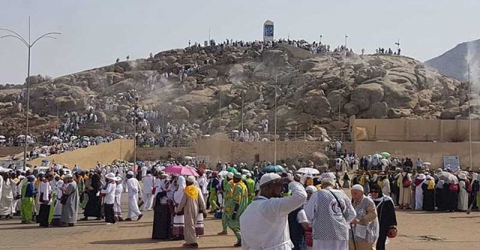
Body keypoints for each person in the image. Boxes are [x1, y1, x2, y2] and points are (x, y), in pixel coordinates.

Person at [240, 173, 307, 249]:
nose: (283, 189)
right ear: (268, 187)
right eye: (280, 185)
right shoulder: (272, 205)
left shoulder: (247, 211)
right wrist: (291, 181)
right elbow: (301, 197)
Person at [305, 178, 356, 250]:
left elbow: (308, 213)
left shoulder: (317, 194)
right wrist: (344, 223)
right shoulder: (342, 194)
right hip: (341, 232)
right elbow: (352, 213)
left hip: (321, 233)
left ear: (322, 186)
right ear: (333, 185)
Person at [176, 176, 207, 248]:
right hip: (196, 209)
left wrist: (178, 210)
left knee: (189, 226)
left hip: (188, 209)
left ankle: (193, 242)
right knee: (191, 225)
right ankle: (188, 241)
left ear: (188, 182)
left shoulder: (187, 190)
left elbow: (183, 202)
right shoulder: (197, 189)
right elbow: (202, 201)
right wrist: (204, 209)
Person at [349, 184, 379, 250]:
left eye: (355, 193)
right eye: (352, 193)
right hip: (355, 232)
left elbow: (373, 214)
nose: (353, 195)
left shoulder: (368, 201)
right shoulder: (354, 201)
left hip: (366, 232)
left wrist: (360, 220)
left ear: (362, 193)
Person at [369, 184, 397, 250]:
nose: (373, 193)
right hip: (370, 226)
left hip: (383, 226)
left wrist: (392, 226)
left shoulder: (387, 200)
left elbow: (391, 214)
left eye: (375, 192)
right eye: (372, 191)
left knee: (380, 243)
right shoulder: (368, 200)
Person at [225, 173, 248, 247]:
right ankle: (240, 239)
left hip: (237, 208)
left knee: (232, 223)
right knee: (238, 224)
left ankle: (240, 238)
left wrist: (234, 212)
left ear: (238, 179)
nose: (233, 179)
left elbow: (237, 201)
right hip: (243, 207)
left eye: (234, 178)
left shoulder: (238, 187)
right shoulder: (243, 185)